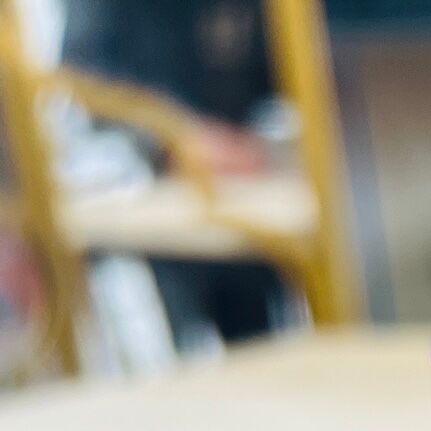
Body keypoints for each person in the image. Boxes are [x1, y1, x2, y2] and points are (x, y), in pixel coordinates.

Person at [61, 0, 289, 347]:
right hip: (143, 202)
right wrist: (171, 138)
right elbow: (81, 74)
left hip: (253, 197)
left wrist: (262, 139)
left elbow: (292, 67)